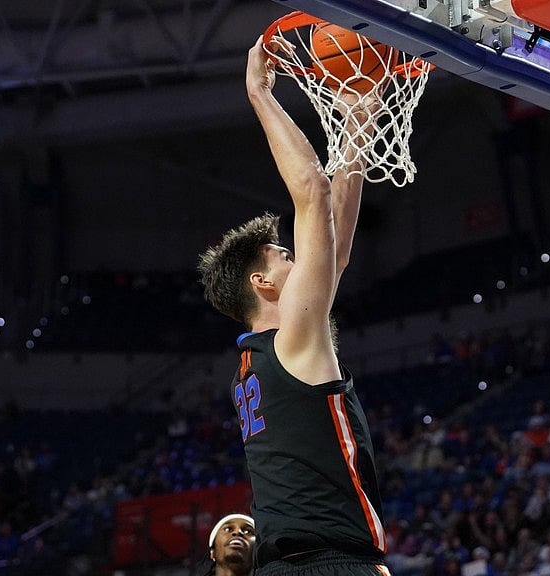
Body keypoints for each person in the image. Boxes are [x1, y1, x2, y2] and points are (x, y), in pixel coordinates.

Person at [198, 33, 387, 576]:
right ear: (262, 282)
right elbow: (312, 191)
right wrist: (259, 91)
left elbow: (336, 249)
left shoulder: (258, 361)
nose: (297, 258)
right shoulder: (292, 344)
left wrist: (355, 128)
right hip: (324, 563)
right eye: (285, 256)